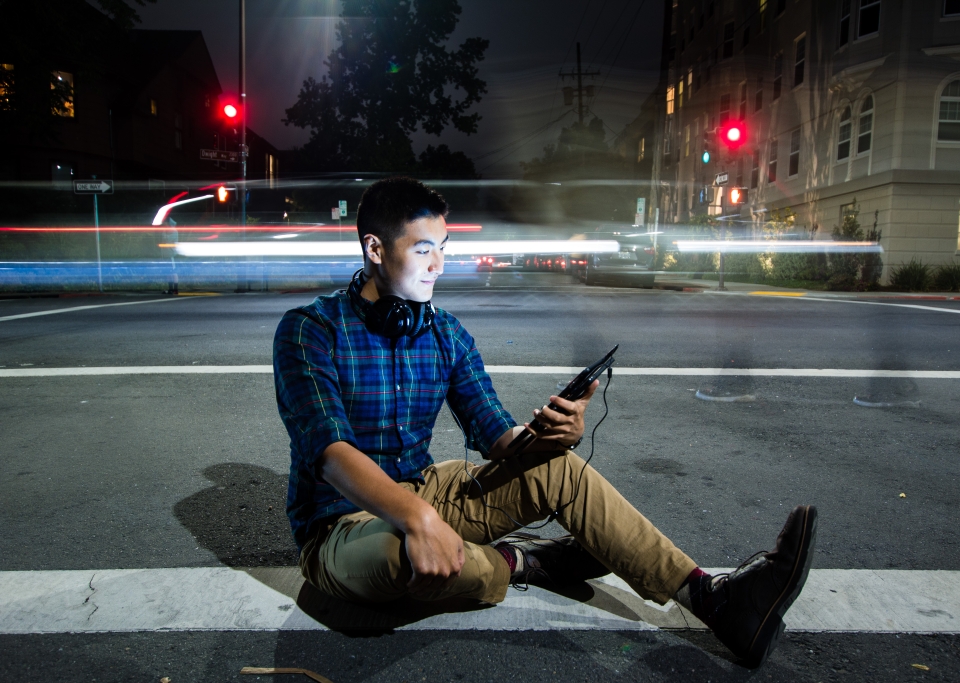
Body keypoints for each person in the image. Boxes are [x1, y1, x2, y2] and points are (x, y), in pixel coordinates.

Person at [273, 177, 817, 668]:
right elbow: (330, 454)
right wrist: (418, 519)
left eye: (443, 249)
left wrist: (554, 435)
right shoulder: (309, 330)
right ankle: (523, 563)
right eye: (422, 249)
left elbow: (497, 436)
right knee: (404, 557)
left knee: (557, 466)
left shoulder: (447, 334)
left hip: (422, 489)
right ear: (374, 248)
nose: (438, 264)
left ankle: (714, 598)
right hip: (340, 528)